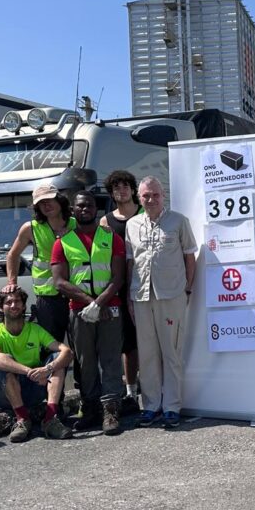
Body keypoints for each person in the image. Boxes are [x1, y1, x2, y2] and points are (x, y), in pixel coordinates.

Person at [52, 191, 127, 435]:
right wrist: (89, 303)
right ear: (73, 210)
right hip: (79, 311)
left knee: (111, 359)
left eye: (90, 205)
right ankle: (91, 408)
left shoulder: (111, 237)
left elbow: (118, 276)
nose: (85, 209)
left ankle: (111, 410)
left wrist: (101, 303)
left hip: (110, 307)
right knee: (85, 361)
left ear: (97, 209)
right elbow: (60, 281)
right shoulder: (62, 242)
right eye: (80, 206)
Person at [124, 176, 197, 428]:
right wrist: (129, 298)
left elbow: (190, 257)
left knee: (172, 353)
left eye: (155, 195)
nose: (151, 200)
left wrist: (187, 289)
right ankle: (151, 405)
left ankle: (172, 407)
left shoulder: (178, 221)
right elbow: (131, 262)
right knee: (147, 355)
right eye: (146, 196)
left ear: (163, 196)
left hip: (171, 295)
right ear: (139, 197)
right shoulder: (132, 225)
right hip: (141, 296)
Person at [0, 288, 74, 442]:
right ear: (1, 308)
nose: (14, 305)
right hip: (5, 392)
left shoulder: (35, 329)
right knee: (2, 361)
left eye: (17, 301)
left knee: (57, 358)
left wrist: (47, 369)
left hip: (34, 388)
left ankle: (50, 419)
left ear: (24, 306)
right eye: (8, 302)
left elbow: (66, 351)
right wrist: (29, 372)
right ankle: (22, 420)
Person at [2, 184, 76, 341]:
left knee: (80, 346)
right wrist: (12, 282)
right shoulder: (31, 228)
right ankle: (51, 367)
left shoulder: (76, 224)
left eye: (49, 200)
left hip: (76, 292)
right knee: (50, 345)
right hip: (48, 297)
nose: (46, 205)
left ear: (59, 200)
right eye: (41, 203)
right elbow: (12, 255)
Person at [99, 170, 143, 413]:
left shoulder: (144, 213)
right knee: (127, 343)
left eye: (126, 186)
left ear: (133, 189)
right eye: (117, 187)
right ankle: (130, 392)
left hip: (145, 284)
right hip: (119, 286)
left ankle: (152, 388)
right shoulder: (106, 221)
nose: (122, 191)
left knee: (147, 339)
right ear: (112, 193)